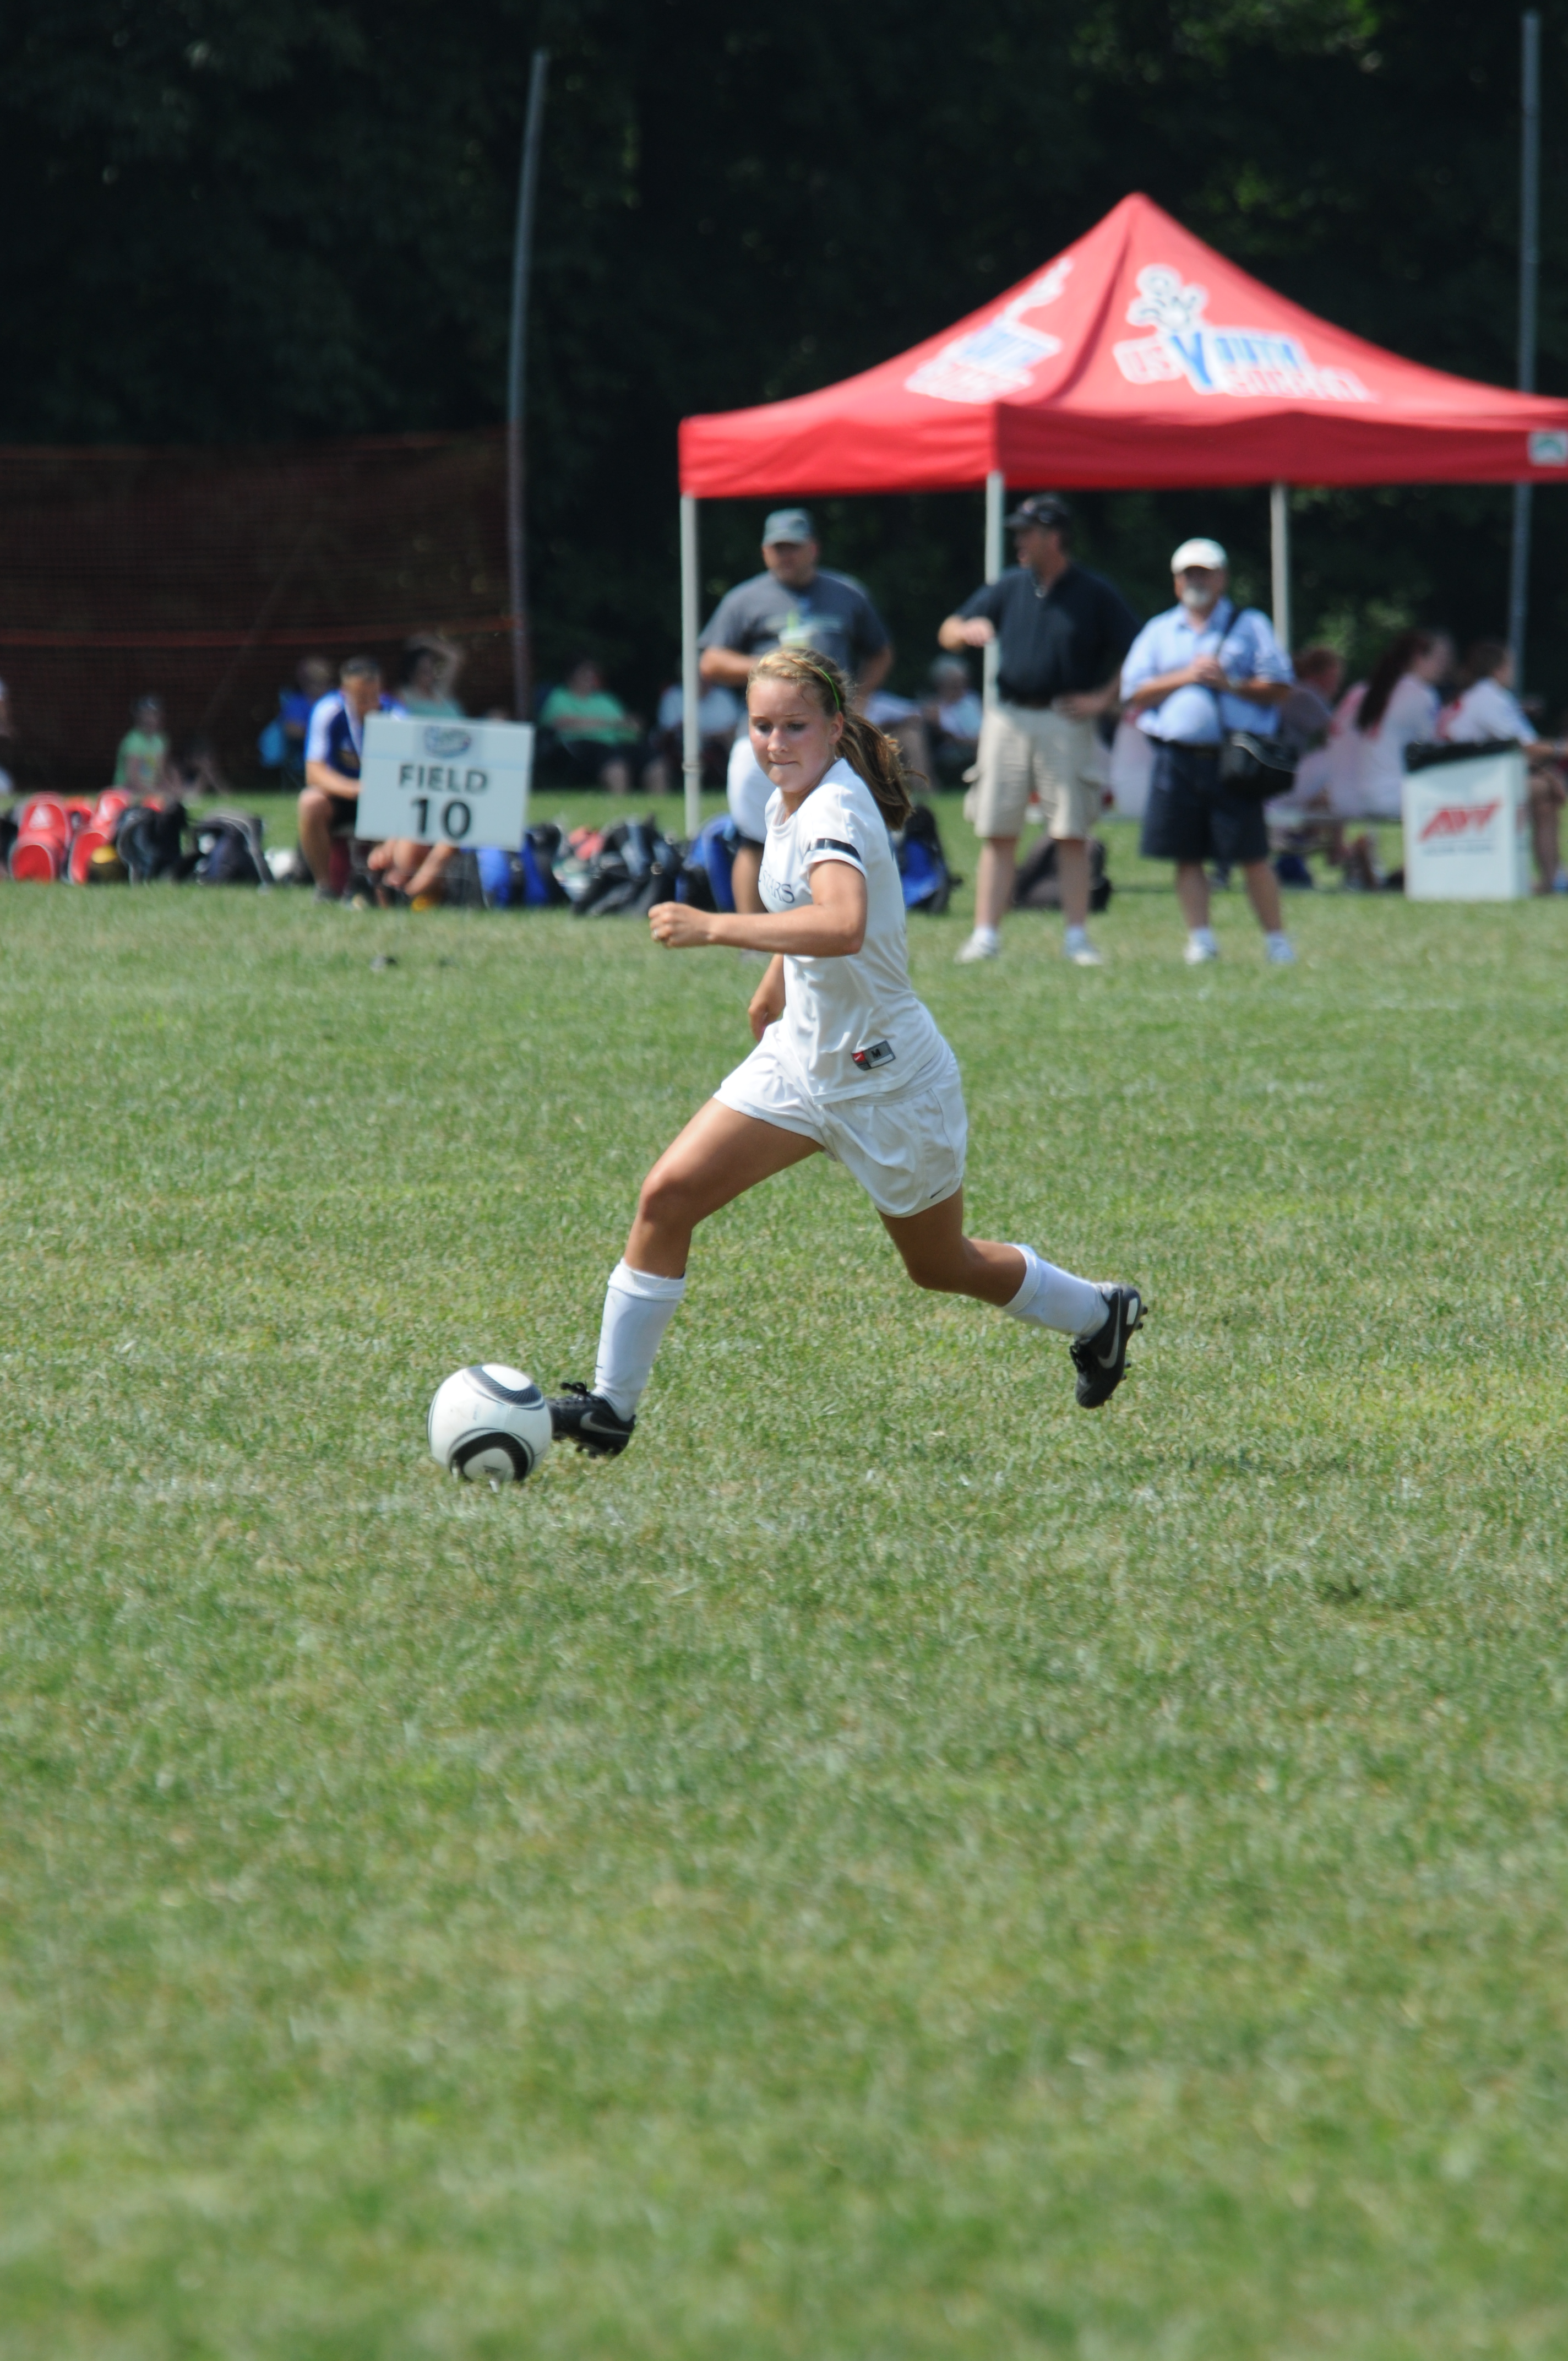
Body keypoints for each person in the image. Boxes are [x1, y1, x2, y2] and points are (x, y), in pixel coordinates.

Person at [541, 645, 1145, 1461]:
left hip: (885, 1080)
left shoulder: (834, 808)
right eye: (761, 726)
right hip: (800, 1061)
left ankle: (1100, 1313)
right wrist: (776, 984)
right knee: (667, 1196)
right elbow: (808, 915)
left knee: (940, 1265)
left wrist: (716, 927)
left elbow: (842, 922)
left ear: (833, 727)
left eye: (794, 726)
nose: (775, 742)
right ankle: (611, 1407)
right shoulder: (788, 798)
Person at [938, 493, 1137, 967]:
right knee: (998, 829)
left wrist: (1102, 699)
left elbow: (1138, 649)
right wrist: (965, 631)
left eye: (1027, 533)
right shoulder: (1010, 585)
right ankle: (985, 936)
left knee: (1071, 831)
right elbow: (948, 629)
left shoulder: (1094, 592)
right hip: (1007, 717)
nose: (1020, 543)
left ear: (1055, 537)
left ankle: (1077, 938)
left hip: (1064, 720)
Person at [700, 507, 893, 914]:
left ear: (814, 549)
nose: (785, 555)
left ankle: (829, 914)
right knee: (754, 837)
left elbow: (881, 652)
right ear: (764, 552)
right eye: (778, 548)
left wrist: (860, 699)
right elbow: (711, 661)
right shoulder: (744, 598)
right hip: (765, 737)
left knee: (838, 827)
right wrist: (775, 669)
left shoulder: (847, 593)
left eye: (794, 547)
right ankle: (754, 937)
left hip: (830, 731)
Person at [1120, 537, 1297, 964]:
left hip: (1232, 760)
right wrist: (1187, 675)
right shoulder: (1160, 631)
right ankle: (1200, 939)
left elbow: (1280, 686)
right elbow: (1133, 692)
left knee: (1252, 854)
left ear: (1222, 579)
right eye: (1189, 574)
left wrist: (1230, 684)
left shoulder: (1249, 625)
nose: (1196, 581)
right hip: (1177, 757)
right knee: (1187, 854)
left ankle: (1276, 941)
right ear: (1177, 582)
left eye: (1204, 573)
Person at [1440, 640, 1567, 893]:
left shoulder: (1478, 695)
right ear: (1499, 669)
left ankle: (1552, 879)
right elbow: (1526, 747)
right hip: (1462, 784)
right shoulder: (1489, 697)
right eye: (1511, 666)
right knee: (1545, 791)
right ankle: (1553, 878)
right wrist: (1561, 750)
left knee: (1545, 794)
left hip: (1457, 776)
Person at [299, 655, 403, 897]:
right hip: (343, 795)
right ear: (345, 691)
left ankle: (381, 889)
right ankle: (325, 887)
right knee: (310, 802)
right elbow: (314, 772)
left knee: (390, 808)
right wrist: (354, 789)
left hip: (382, 797)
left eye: (374, 695)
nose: (369, 703)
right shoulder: (329, 711)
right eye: (362, 697)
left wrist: (376, 790)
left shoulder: (396, 714)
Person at [539, 659, 640, 794]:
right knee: (614, 763)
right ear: (571, 677)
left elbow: (630, 725)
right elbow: (560, 723)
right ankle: (618, 803)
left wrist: (633, 724)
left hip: (616, 744)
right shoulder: (560, 697)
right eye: (584, 674)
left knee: (653, 760)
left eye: (592, 674)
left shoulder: (607, 700)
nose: (589, 678)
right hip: (579, 748)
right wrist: (609, 724)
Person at [922, 656, 983, 788]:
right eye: (955, 684)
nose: (961, 688)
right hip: (956, 748)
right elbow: (947, 737)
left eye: (964, 683)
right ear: (941, 685)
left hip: (978, 741)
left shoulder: (972, 701)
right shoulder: (934, 709)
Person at [113, 695, 175, 794]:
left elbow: (161, 773)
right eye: (147, 714)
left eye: (154, 714)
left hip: (151, 790)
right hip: (128, 791)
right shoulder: (133, 740)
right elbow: (132, 778)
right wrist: (153, 793)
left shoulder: (160, 740)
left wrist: (171, 790)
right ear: (139, 717)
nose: (150, 719)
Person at [396, 634, 466, 718]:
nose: (430, 676)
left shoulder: (440, 691)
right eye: (425, 671)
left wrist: (426, 643)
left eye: (431, 670)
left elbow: (454, 657)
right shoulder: (405, 695)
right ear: (411, 673)